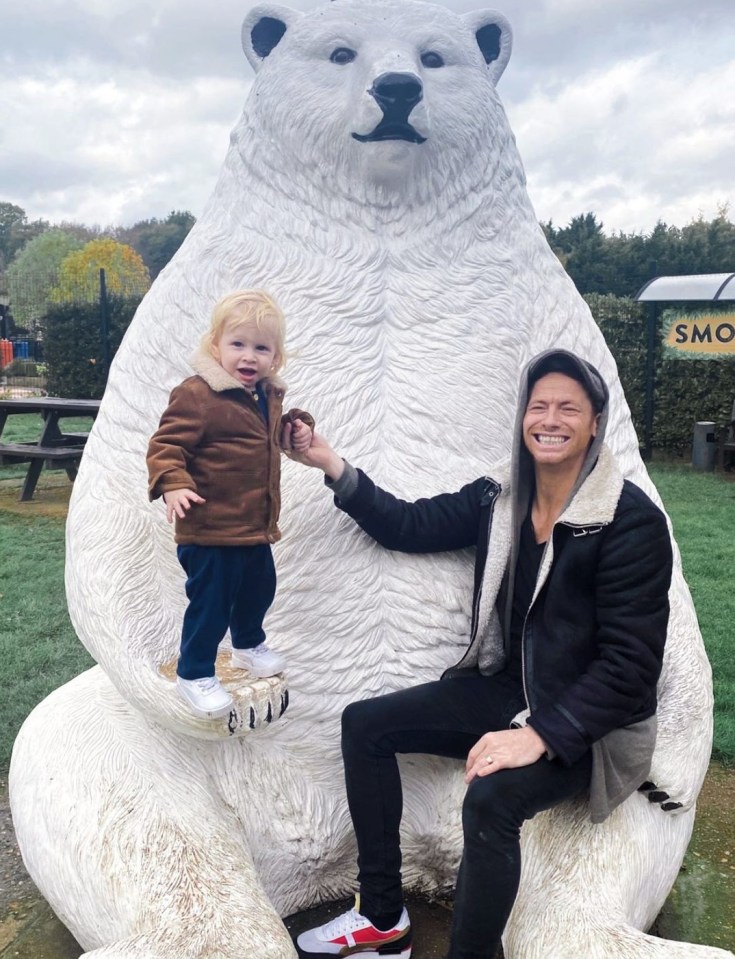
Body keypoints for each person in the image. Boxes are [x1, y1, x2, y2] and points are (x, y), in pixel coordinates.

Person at [284, 350, 673, 959]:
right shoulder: (501, 498)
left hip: (589, 727)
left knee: (491, 799)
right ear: (523, 418)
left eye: (568, 407)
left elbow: (631, 668)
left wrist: (540, 734)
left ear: (595, 423)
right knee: (365, 725)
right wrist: (329, 463)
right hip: (508, 689)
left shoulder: (629, 523)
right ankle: (383, 919)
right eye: (538, 405)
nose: (550, 418)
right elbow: (409, 525)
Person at [147, 289, 313, 719]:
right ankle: (195, 671)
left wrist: (296, 429)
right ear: (215, 345)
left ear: (275, 357)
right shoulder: (198, 395)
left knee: (258, 590)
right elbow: (166, 445)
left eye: (261, 348)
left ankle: (247, 646)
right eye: (237, 344)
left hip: (253, 526)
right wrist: (172, 483)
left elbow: (263, 441)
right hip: (209, 529)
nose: (248, 356)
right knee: (211, 603)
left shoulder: (265, 396)